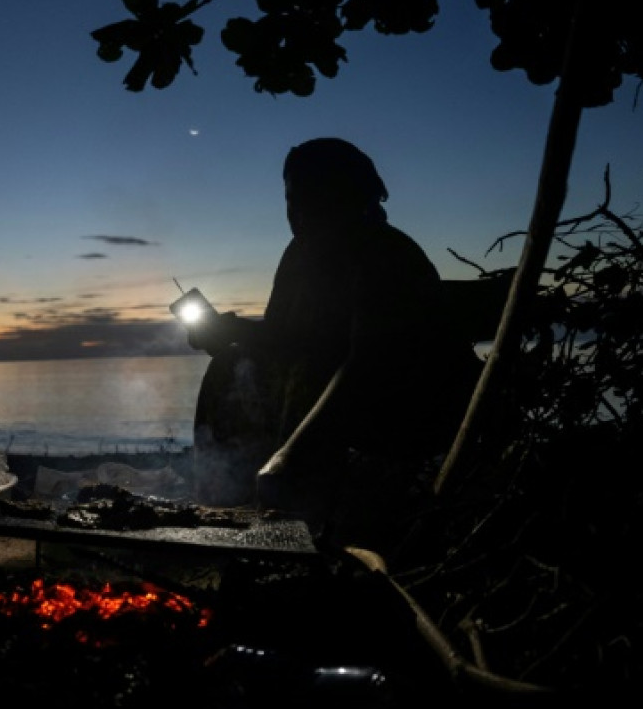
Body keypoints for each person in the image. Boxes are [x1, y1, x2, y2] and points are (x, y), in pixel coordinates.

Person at [185, 138, 484, 554]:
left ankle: (299, 529)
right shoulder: (300, 255)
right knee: (230, 366)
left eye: (312, 194)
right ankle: (226, 507)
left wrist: (290, 455)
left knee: (308, 376)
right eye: (291, 197)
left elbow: (365, 363)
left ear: (351, 193)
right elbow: (284, 337)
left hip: (400, 411)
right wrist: (231, 331)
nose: (298, 210)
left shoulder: (385, 254)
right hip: (323, 389)